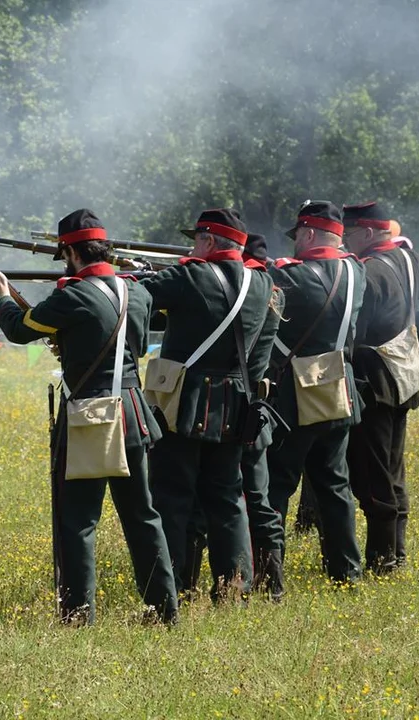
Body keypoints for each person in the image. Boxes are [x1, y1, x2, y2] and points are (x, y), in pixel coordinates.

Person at [0, 208, 178, 625]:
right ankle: (164, 611)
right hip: (132, 412)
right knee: (143, 516)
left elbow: (19, 328)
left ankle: (76, 616)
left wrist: (2, 294)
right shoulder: (139, 293)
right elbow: (136, 347)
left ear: (71, 252)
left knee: (77, 520)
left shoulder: (71, 296)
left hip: (90, 415)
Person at [141, 209, 280, 601]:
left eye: (196, 240)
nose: (192, 247)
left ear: (208, 241)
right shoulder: (262, 283)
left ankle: (173, 588)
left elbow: (136, 297)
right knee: (228, 499)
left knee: (172, 496)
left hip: (184, 402)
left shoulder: (189, 277)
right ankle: (235, 588)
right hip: (235, 404)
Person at [342, 202, 419, 572]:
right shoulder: (412, 260)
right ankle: (397, 554)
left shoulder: (369, 271)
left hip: (372, 380)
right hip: (402, 374)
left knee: (373, 473)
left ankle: (384, 560)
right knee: (392, 468)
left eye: (350, 232)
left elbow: (350, 329)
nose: (346, 238)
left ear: (367, 231)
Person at [177, 231, 288, 601]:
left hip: (222, 410)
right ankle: (259, 587)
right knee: (244, 501)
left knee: (217, 501)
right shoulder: (268, 291)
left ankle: (187, 586)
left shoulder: (237, 289)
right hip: (248, 410)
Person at [266, 201, 366, 585]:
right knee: (335, 486)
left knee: (276, 486)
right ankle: (347, 572)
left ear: (307, 234)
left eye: (298, 236)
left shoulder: (291, 276)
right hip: (339, 389)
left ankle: (270, 578)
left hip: (296, 395)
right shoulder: (357, 271)